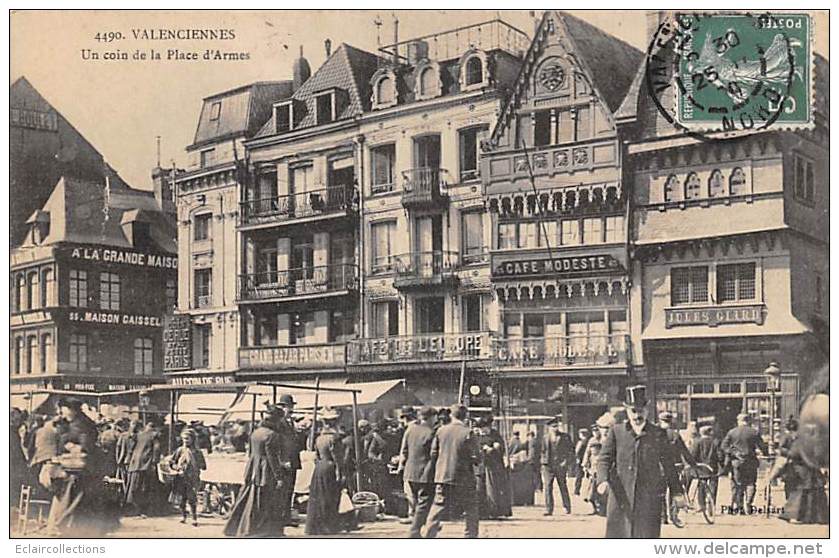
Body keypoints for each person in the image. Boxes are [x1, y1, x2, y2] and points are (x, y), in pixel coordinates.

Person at [596, 385, 685, 538]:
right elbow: (604, 458)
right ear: (627, 411)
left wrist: (677, 492)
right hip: (621, 497)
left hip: (648, 498)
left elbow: (669, 465)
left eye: (641, 411)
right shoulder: (617, 432)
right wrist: (602, 480)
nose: (637, 416)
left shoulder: (658, 434)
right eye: (633, 411)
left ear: (647, 410)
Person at [224, 404, 291, 537]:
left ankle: (242, 526)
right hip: (265, 469)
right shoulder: (272, 435)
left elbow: (250, 453)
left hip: (254, 467)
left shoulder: (256, 432)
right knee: (266, 499)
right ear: (276, 421)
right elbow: (272, 458)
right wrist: (279, 477)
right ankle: (263, 530)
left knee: (250, 498)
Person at [48, 397, 111, 536]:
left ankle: (67, 528)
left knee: (73, 499)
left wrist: (70, 446)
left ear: (71, 409)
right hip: (75, 468)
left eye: (63, 409)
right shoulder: (75, 422)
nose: (61, 412)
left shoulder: (81, 424)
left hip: (79, 470)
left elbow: (85, 446)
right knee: (71, 499)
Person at [424, 404, 480, 538]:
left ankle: (428, 535)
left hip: (443, 476)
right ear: (465, 416)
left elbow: (433, 453)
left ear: (451, 415)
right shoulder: (468, 433)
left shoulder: (441, 431)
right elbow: (477, 458)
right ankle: (470, 537)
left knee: (437, 508)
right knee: (471, 509)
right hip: (464, 478)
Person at [397, 406, 436, 538]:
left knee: (415, 501)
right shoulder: (431, 432)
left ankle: (420, 524)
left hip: (409, 471)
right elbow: (434, 455)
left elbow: (404, 451)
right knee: (424, 502)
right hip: (424, 472)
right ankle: (416, 529)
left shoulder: (410, 430)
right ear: (431, 417)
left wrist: (401, 467)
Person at [305, 408, 344, 536]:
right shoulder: (335, 438)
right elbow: (337, 457)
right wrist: (340, 472)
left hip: (319, 468)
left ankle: (317, 525)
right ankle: (329, 525)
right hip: (330, 467)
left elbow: (316, 456)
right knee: (330, 497)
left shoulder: (319, 438)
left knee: (318, 497)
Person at [721, 413, 767, 514]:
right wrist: (766, 453)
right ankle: (748, 503)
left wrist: (734, 452)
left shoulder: (732, 432)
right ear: (748, 421)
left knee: (738, 484)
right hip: (751, 461)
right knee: (751, 483)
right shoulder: (753, 432)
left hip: (737, 462)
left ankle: (739, 506)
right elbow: (762, 446)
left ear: (738, 421)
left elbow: (724, 446)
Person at [658, 411, 697, 523]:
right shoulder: (675, 435)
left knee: (661, 492)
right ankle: (673, 515)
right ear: (671, 422)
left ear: (661, 421)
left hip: (660, 467)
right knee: (674, 491)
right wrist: (692, 463)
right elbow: (684, 451)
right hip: (674, 467)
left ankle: (662, 517)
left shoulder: (656, 434)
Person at [476, 414, 512, 519]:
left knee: (492, 488)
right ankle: (482, 512)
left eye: (485, 428)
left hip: (493, 466)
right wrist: (482, 449)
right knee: (480, 488)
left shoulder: (495, 435)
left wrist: (495, 448)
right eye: (481, 428)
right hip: (480, 466)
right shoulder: (477, 436)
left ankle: (495, 511)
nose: (483, 430)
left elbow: (501, 448)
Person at [124, 419, 162, 517]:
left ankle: (132, 508)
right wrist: (155, 461)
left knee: (133, 486)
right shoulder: (154, 435)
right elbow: (156, 449)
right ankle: (144, 510)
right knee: (145, 487)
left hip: (135, 463)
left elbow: (130, 448)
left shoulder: (139, 435)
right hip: (146, 464)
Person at [169, 428, 207, 526]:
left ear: (193, 439)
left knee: (192, 498)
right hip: (181, 477)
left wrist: (196, 464)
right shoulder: (180, 450)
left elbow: (203, 466)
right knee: (182, 498)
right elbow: (172, 462)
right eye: (184, 439)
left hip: (192, 478)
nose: (185, 441)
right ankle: (183, 516)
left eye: (187, 439)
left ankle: (194, 518)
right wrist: (177, 467)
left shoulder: (197, 452)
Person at [276, 394, 303, 527]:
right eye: (287, 407)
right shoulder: (279, 423)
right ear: (282, 408)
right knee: (283, 490)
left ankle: (286, 516)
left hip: (293, 460)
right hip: (285, 461)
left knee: (290, 489)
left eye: (291, 406)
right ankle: (281, 517)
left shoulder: (291, 422)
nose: (290, 409)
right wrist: (282, 460)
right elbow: (278, 444)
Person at [541, 416, 574, 516]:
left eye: (556, 426)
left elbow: (570, 451)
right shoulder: (545, 438)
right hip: (548, 466)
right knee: (547, 487)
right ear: (549, 428)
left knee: (562, 486)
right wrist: (543, 462)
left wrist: (566, 462)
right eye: (552, 427)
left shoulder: (565, 437)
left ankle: (567, 507)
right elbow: (542, 451)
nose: (554, 428)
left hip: (560, 465)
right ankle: (549, 509)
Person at [689, 424, 723, 505]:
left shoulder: (697, 442)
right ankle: (712, 503)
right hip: (712, 467)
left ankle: (702, 504)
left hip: (701, 468)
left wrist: (693, 465)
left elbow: (693, 455)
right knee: (713, 484)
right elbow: (720, 455)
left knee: (701, 485)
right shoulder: (715, 442)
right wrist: (721, 464)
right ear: (709, 433)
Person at [573, 428, 591, 496]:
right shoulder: (586, 441)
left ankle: (577, 490)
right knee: (580, 476)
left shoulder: (581, 442)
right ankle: (577, 490)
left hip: (582, 460)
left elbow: (576, 452)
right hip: (583, 460)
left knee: (579, 476)